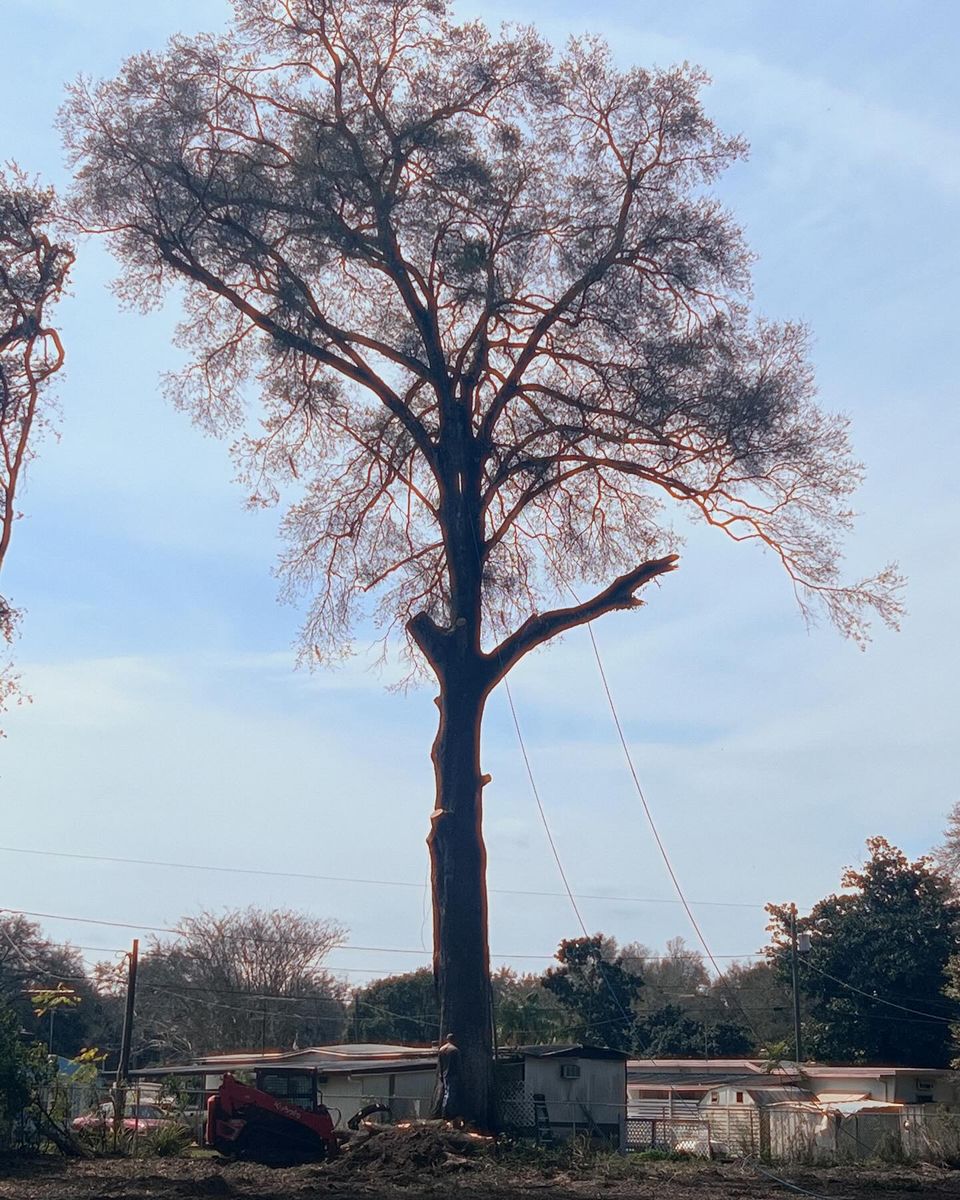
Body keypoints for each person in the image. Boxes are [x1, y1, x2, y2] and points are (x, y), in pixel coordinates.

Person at [437, 1032, 462, 1120]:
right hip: (453, 1074)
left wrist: (440, 1074)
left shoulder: (441, 1049)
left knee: (446, 1093)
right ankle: (448, 1114)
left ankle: (444, 1112)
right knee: (450, 1094)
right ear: (454, 1040)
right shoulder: (455, 1050)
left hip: (444, 1074)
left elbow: (440, 1064)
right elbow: (458, 1065)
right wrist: (460, 1075)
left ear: (447, 1039)